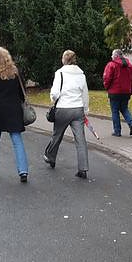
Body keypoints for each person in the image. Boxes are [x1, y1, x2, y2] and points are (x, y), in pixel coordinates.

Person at [0, 47, 29, 183]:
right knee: (17, 140)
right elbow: (22, 92)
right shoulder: (15, 72)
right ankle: (23, 170)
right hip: (14, 110)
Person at [43, 50, 89, 178]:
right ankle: (83, 168)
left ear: (64, 59)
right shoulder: (81, 75)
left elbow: (55, 93)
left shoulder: (60, 73)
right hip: (78, 109)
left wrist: (53, 99)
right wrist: (85, 110)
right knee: (80, 139)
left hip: (63, 109)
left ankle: (51, 157)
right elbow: (85, 94)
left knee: (57, 135)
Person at [103, 48, 132, 137]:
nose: (111, 56)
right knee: (124, 108)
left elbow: (107, 78)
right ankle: (131, 123)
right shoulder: (130, 66)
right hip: (126, 92)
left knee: (115, 111)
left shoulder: (111, 65)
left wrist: (106, 87)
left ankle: (117, 131)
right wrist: (131, 91)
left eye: (112, 55)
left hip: (114, 92)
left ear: (116, 56)